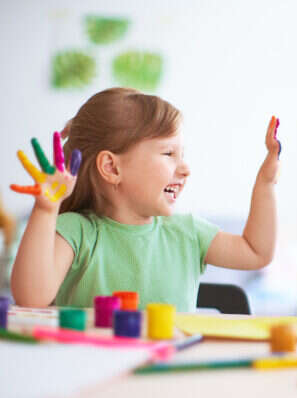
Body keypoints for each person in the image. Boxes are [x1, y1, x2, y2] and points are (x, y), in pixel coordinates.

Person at [10, 87, 280, 311]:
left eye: (182, 155)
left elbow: (256, 252)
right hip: (91, 360)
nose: (185, 168)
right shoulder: (77, 232)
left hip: (167, 362)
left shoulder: (188, 233)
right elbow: (30, 298)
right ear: (112, 168)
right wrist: (46, 209)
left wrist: (265, 183)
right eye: (168, 154)